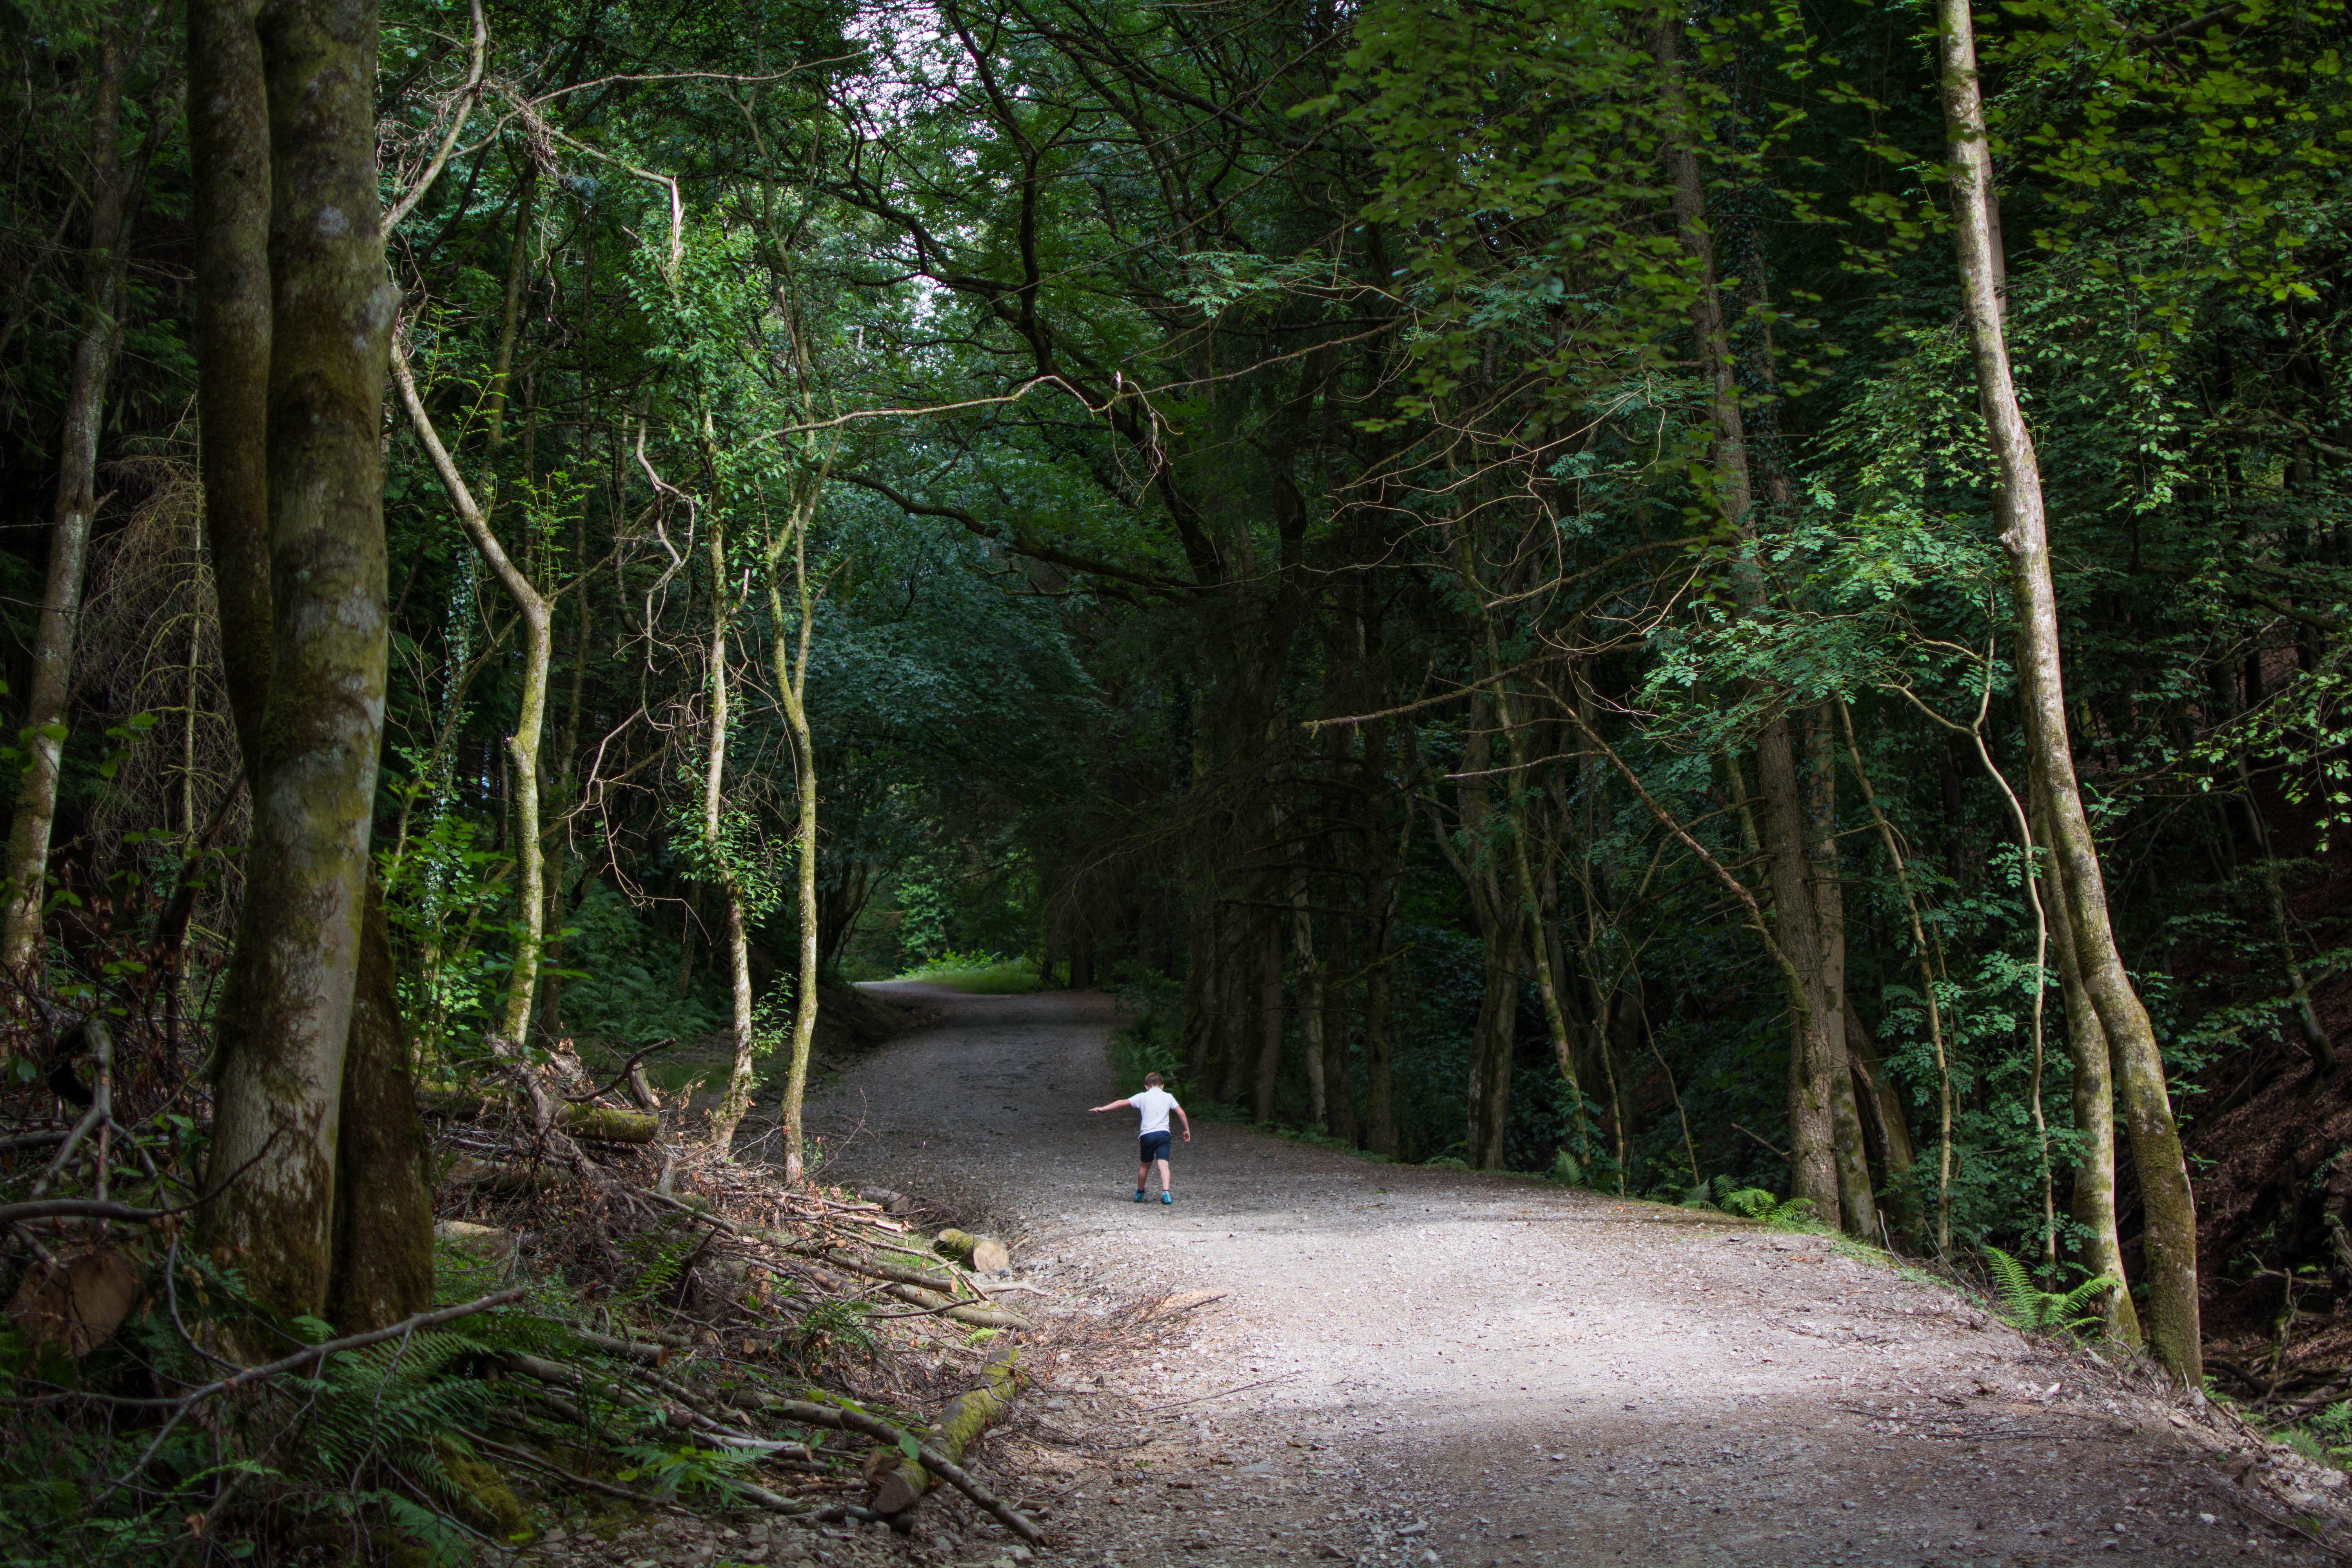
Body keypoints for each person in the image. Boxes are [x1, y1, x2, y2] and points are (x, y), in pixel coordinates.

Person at [1090, 1072, 1190, 1204]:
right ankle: (1166, 1193)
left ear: (1146, 1087)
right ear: (1163, 1086)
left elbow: (1121, 1103)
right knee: (1164, 1165)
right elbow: (1181, 1113)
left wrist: (1103, 1109)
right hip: (1164, 1134)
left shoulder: (1142, 1097)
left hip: (1147, 1135)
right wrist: (1186, 1130)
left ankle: (1140, 1192)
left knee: (1145, 1166)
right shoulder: (1169, 1097)